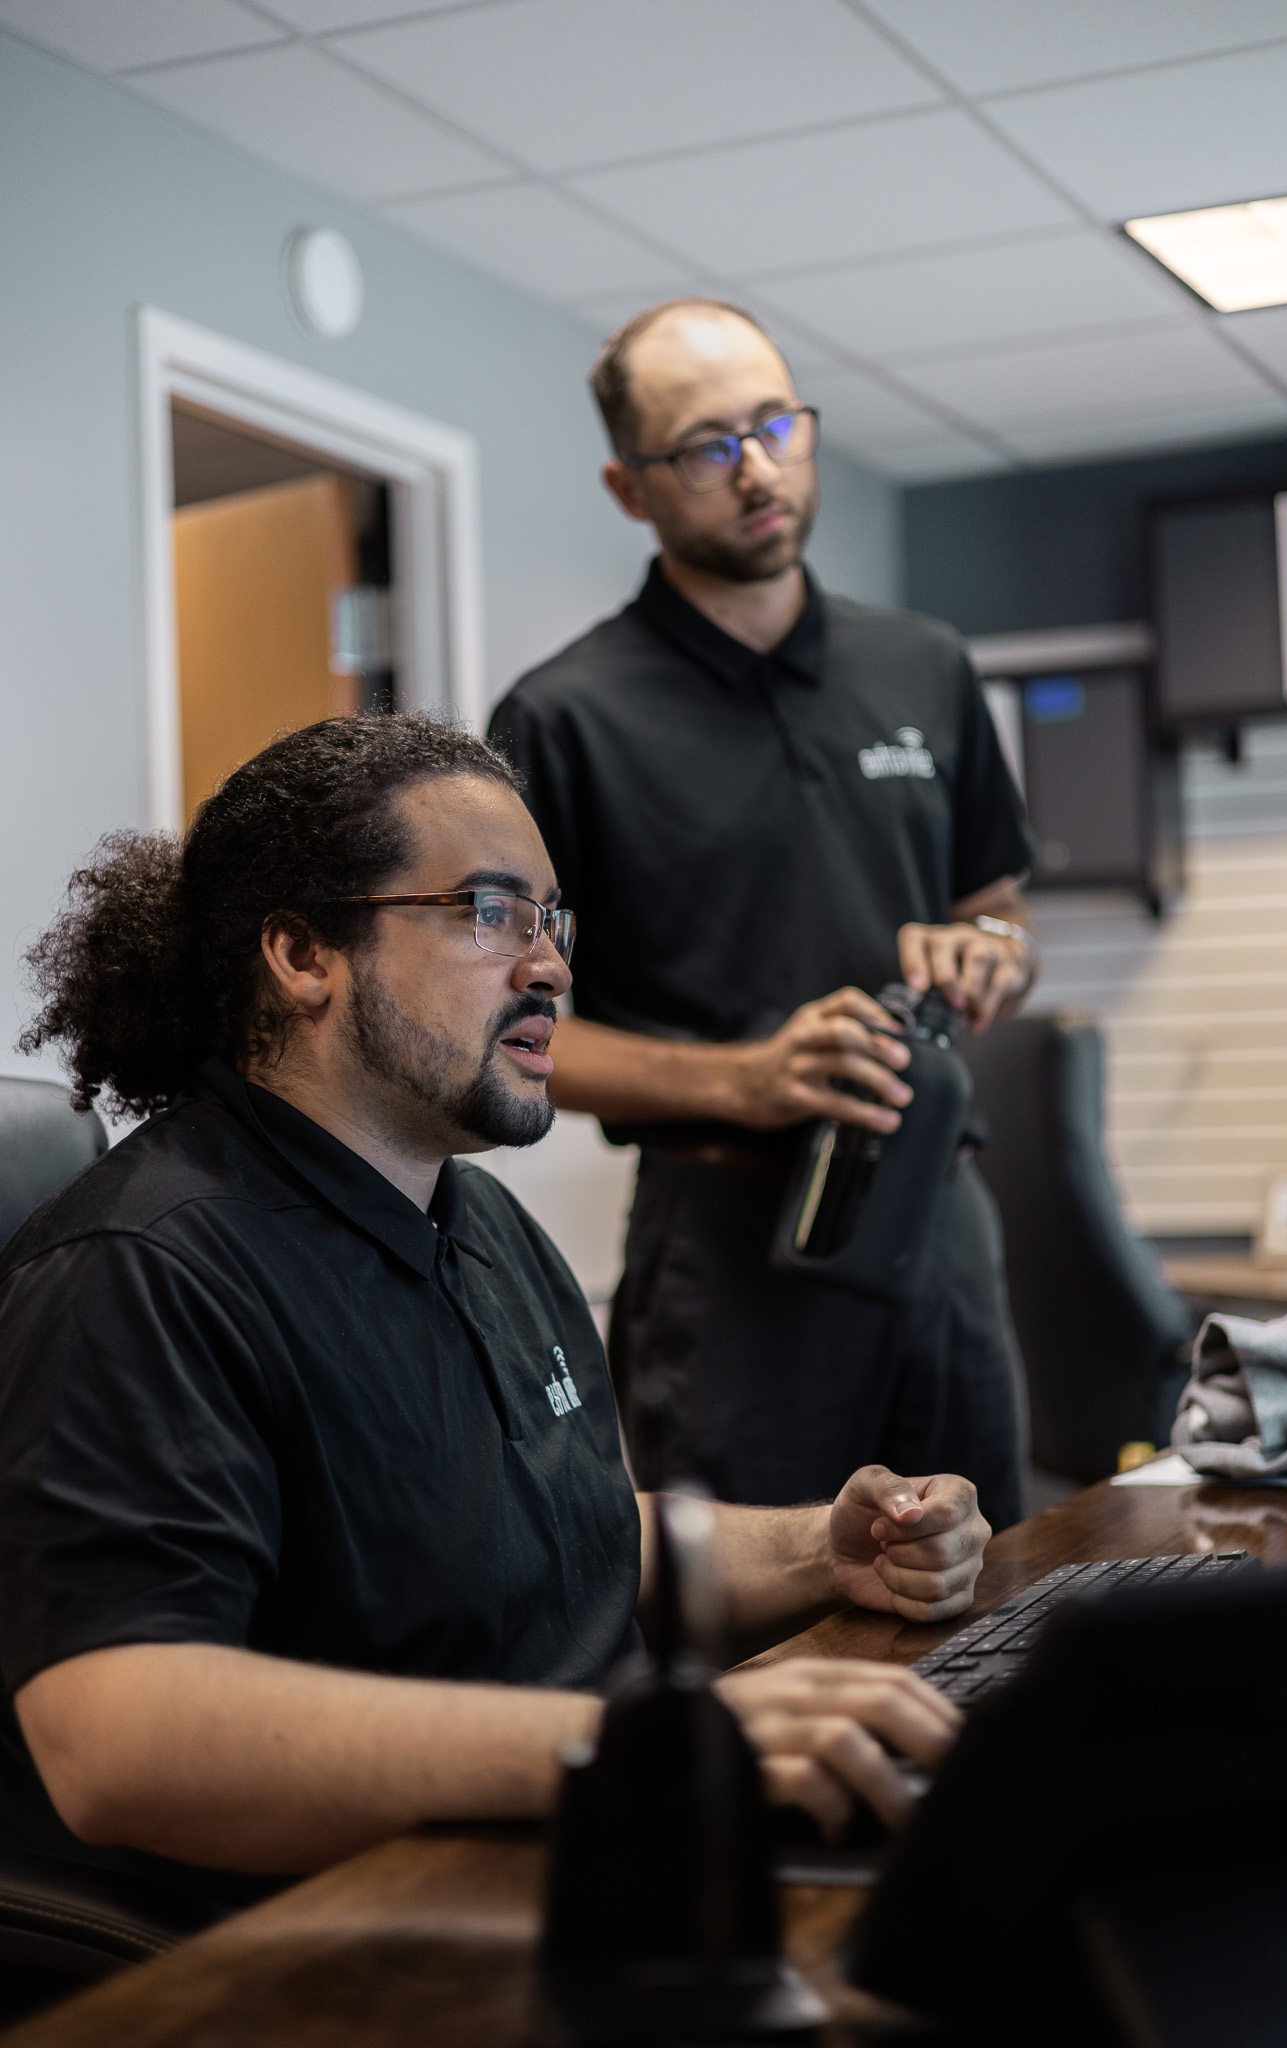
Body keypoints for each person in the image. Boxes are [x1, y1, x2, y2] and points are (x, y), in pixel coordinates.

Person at [0, 715, 988, 1923]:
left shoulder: (481, 1224)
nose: (552, 964)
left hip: (588, 1850)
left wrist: (822, 1549)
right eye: (487, 909)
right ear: (304, 952)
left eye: (551, 917)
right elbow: (118, 1737)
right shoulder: (140, 1270)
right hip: (365, 1928)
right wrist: (631, 1741)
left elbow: (549, 1532)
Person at [489, 298, 1038, 1533]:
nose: (758, 470)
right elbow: (504, 1025)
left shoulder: (924, 665)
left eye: (776, 425)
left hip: (938, 1217)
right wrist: (748, 1078)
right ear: (629, 488)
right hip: (728, 1250)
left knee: (989, 1580)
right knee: (756, 1626)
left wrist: (988, 952)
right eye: (706, 447)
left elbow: (997, 909)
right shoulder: (562, 718)